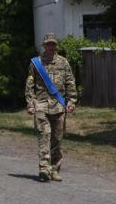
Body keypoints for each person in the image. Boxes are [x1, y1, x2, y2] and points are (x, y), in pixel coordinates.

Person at [26, 32, 77, 182]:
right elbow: (29, 85)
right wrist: (30, 103)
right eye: (48, 44)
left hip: (59, 106)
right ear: (44, 45)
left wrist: (71, 101)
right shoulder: (36, 63)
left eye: (53, 44)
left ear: (56, 45)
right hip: (41, 104)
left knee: (57, 139)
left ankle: (54, 169)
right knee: (44, 136)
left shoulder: (63, 62)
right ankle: (44, 168)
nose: (51, 46)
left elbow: (70, 82)